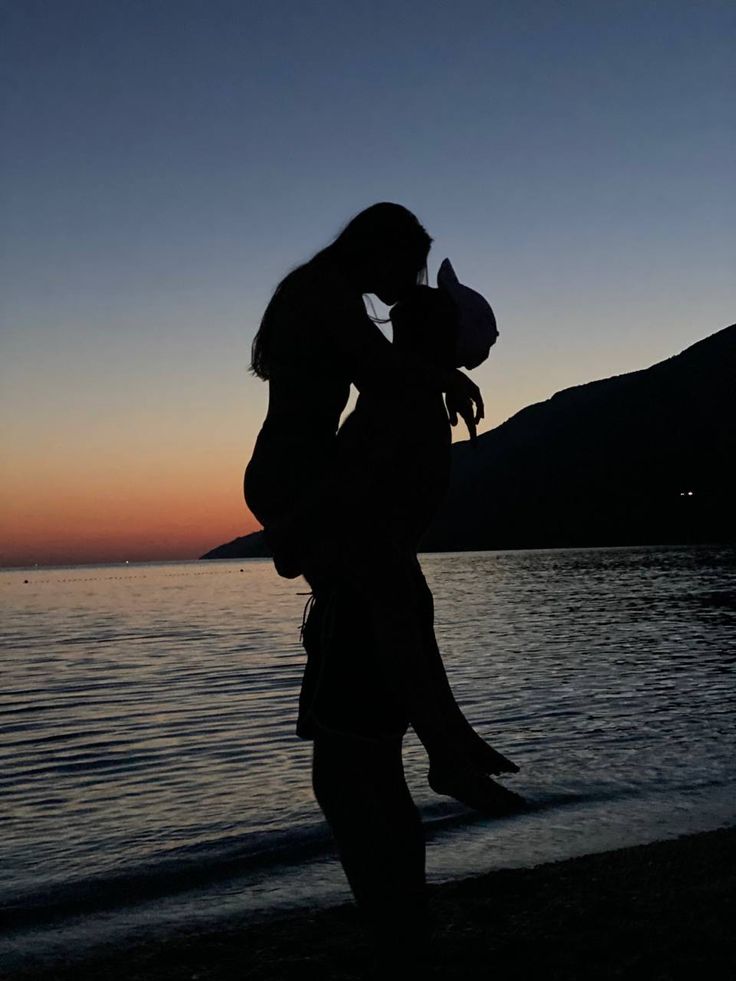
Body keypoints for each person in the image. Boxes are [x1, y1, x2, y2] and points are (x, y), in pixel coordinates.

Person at [244, 204, 520, 959]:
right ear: (382, 250)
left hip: (301, 481)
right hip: (294, 477)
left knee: (400, 598)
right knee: (400, 598)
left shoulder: (331, 306)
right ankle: (450, 748)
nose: (411, 286)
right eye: (412, 266)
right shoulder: (325, 293)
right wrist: (444, 377)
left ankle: (449, 748)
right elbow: (374, 366)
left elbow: (379, 383)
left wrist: (435, 377)